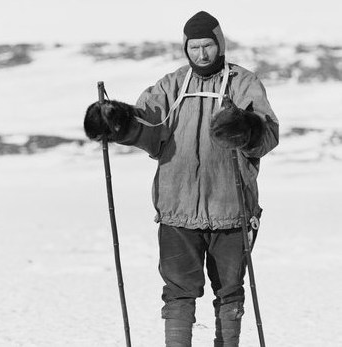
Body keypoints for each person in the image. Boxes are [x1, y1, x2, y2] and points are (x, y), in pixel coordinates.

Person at [84, 11, 279, 347]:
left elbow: (267, 135)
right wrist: (116, 120)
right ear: (185, 48)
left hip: (231, 209)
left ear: (220, 44)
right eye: (193, 47)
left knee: (230, 291)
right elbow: (148, 126)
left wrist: (245, 128)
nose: (201, 54)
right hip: (177, 210)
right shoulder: (172, 85)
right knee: (178, 292)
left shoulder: (244, 83)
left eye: (207, 46)